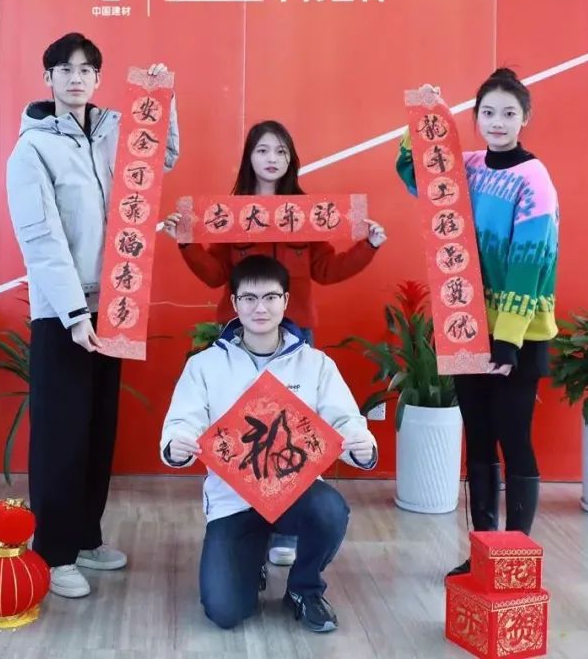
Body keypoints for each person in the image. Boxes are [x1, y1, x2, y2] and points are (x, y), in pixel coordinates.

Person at [161, 120, 386, 567]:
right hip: (239, 336)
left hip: (296, 336)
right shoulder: (230, 213)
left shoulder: (307, 212)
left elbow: (326, 270)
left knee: (289, 434)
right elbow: (215, 275)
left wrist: (369, 245)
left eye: (281, 151)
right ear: (249, 157)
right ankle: (246, 526)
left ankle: (285, 530)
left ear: (291, 160)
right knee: (245, 432)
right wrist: (186, 243)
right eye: (263, 150)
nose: (271, 159)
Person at [5, 32, 179, 598]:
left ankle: (84, 537)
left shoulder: (114, 133)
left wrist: (162, 99)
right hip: (64, 313)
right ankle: (53, 553)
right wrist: (75, 314)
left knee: (99, 429)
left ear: (99, 79)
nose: (76, 77)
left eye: (86, 69)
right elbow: (42, 239)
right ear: (49, 78)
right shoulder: (31, 150)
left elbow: (162, 158)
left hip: (117, 305)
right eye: (65, 68)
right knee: (61, 435)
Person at [395, 68, 558, 577]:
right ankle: (483, 555)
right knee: (480, 441)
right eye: (488, 112)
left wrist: (507, 341)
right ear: (476, 117)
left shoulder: (534, 178)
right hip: (466, 325)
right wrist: (423, 117)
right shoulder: (466, 167)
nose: (497, 122)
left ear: (525, 118)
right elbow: (414, 173)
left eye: (509, 113)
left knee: (514, 438)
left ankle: (515, 559)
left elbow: (530, 260)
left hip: (517, 335)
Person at [159, 255, 378, 632]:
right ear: (234, 303)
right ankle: (250, 559)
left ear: (286, 301)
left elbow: (346, 419)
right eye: (249, 298)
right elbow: (182, 421)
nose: (260, 308)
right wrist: (176, 445)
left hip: (296, 491)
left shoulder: (315, 363)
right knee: (225, 611)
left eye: (270, 297)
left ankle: (304, 588)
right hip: (233, 501)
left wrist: (362, 445)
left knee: (329, 509)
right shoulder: (205, 365)